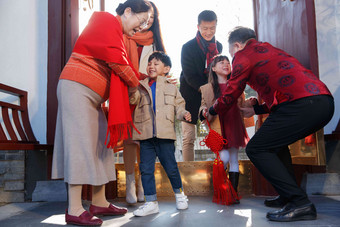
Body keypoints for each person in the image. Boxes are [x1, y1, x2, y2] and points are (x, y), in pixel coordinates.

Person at [208, 26, 334, 222]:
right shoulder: (270, 49)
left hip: (303, 104)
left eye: (232, 55)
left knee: (257, 149)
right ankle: (288, 196)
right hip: (322, 101)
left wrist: (212, 110)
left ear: (237, 45)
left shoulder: (243, 55)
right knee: (276, 145)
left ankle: (300, 202)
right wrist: (257, 110)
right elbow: (283, 92)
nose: (233, 60)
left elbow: (231, 92)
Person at [51, 0, 151, 226]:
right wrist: (136, 83)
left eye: (145, 23)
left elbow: (120, 62)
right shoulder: (105, 19)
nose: (142, 27)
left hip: (91, 97)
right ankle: (75, 208)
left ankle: (99, 201)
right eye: (141, 20)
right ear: (127, 11)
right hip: (77, 87)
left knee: (101, 146)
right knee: (79, 145)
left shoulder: (118, 34)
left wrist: (139, 81)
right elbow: (117, 60)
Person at [129, 51, 191, 216]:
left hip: (165, 137)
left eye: (156, 64)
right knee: (146, 169)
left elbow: (179, 106)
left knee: (171, 168)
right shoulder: (141, 86)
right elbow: (132, 100)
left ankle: (180, 195)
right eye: (150, 63)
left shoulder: (172, 87)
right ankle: (151, 202)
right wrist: (132, 86)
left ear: (166, 68)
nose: (151, 66)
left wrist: (183, 114)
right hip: (146, 137)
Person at [122, 1, 166, 204]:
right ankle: (130, 183)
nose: (147, 21)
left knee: (145, 139)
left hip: (148, 94)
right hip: (126, 91)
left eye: (151, 18)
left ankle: (142, 183)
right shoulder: (125, 34)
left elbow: (161, 68)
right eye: (144, 17)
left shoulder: (155, 43)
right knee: (128, 139)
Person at [199, 55, 250, 203]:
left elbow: (242, 104)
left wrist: (250, 103)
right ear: (213, 68)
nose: (226, 64)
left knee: (234, 158)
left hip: (234, 123)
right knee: (224, 158)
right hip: (218, 125)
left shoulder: (236, 85)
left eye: (228, 62)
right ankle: (221, 191)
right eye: (221, 62)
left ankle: (233, 194)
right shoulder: (207, 88)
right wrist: (203, 111)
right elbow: (203, 105)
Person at [179, 10, 222, 161]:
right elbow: (189, 75)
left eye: (212, 28)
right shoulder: (188, 47)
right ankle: (188, 175)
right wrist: (206, 90)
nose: (208, 32)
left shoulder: (219, 47)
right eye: (205, 28)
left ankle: (219, 169)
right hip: (190, 94)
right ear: (198, 27)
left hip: (210, 96)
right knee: (189, 138)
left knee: (216, 135)